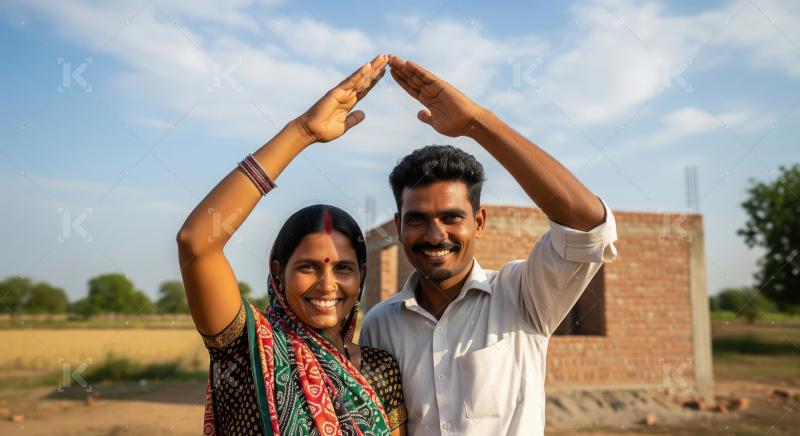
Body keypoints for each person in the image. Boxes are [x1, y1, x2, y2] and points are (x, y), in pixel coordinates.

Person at [359, 55, 619, 435]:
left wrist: (477, 123)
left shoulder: (521, 295)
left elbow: (588, 226)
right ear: (399, 227)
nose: (435, 235)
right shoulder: (380, 324)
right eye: (417, 220)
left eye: (451, 217)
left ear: (478, 223)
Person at [177, 54, 407, 435]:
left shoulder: (380, 369)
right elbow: (196, 242)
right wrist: (302, 132)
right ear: (278, 272)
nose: (328, 284)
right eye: (309, 267)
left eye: (343, 268)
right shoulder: (248, 349)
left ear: (362, 276)